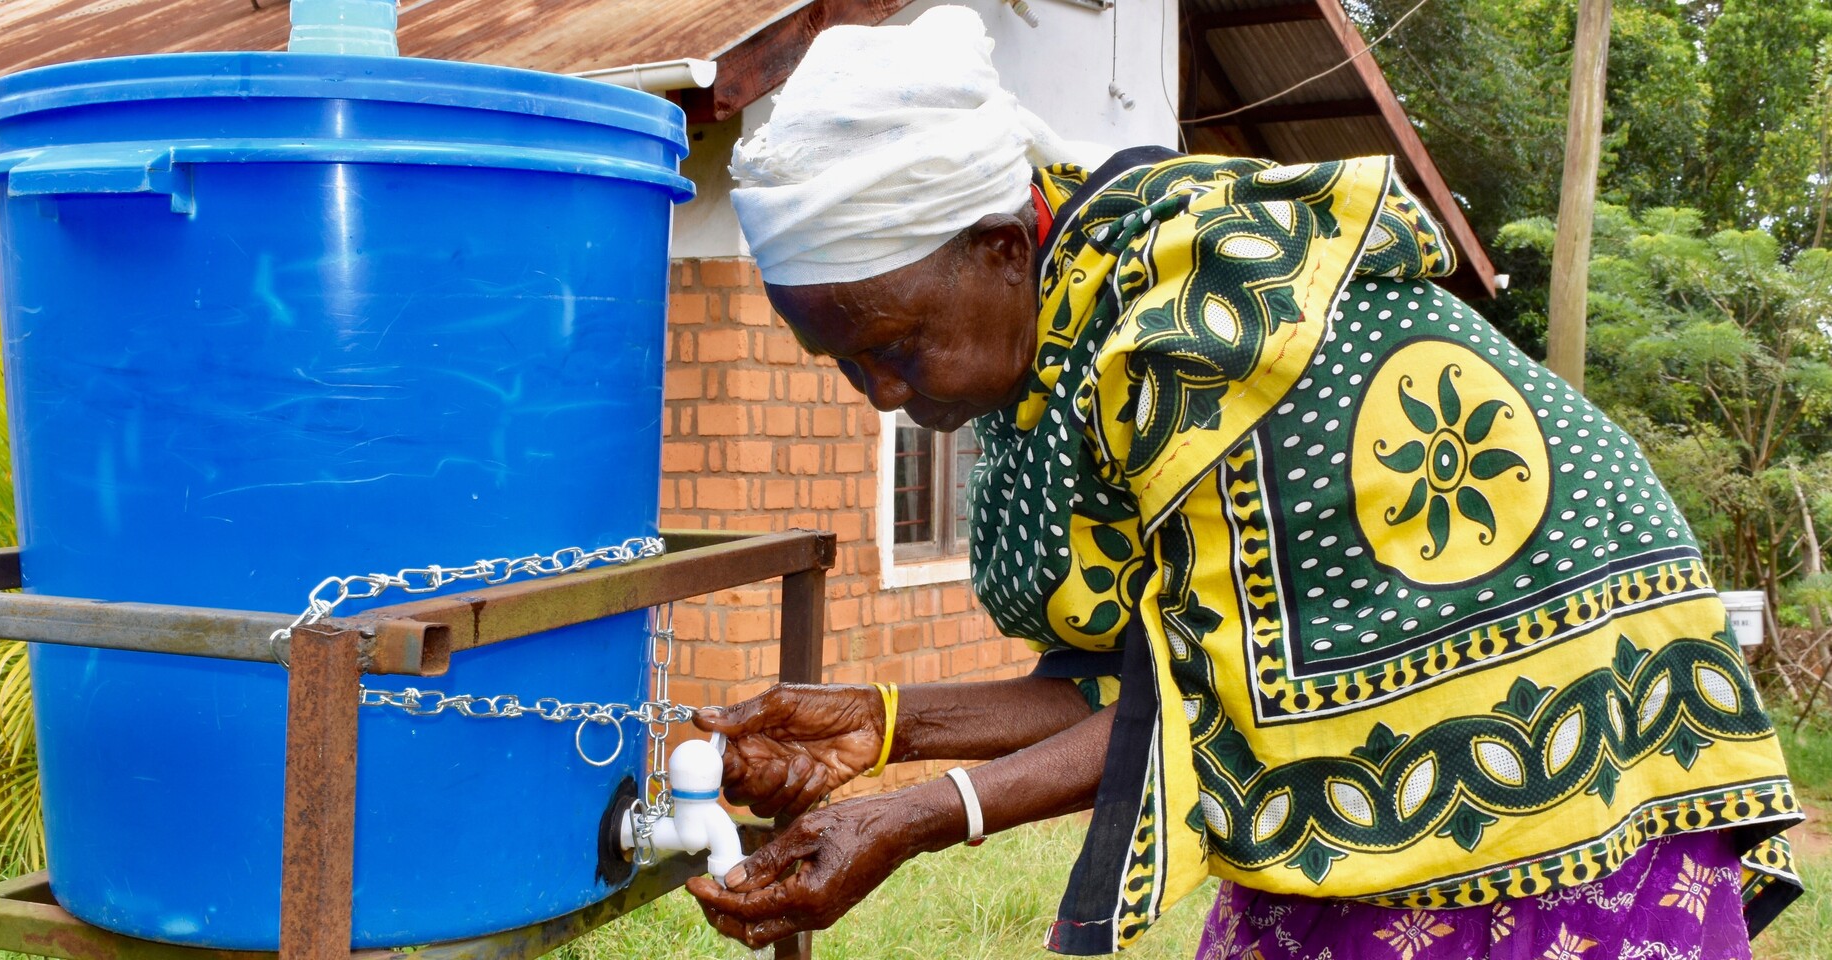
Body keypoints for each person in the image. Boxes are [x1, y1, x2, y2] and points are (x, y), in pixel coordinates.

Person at [684, 7, 1802, 957]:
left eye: (896, 344)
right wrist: (875, 725)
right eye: (842, 364)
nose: (879, 393)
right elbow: (1149, 673)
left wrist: (921, 814)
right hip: (1350, 771)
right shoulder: (1065, 344)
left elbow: (1221, 710)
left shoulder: (1203, 331)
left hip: (1545, 751)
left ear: (999, 250)